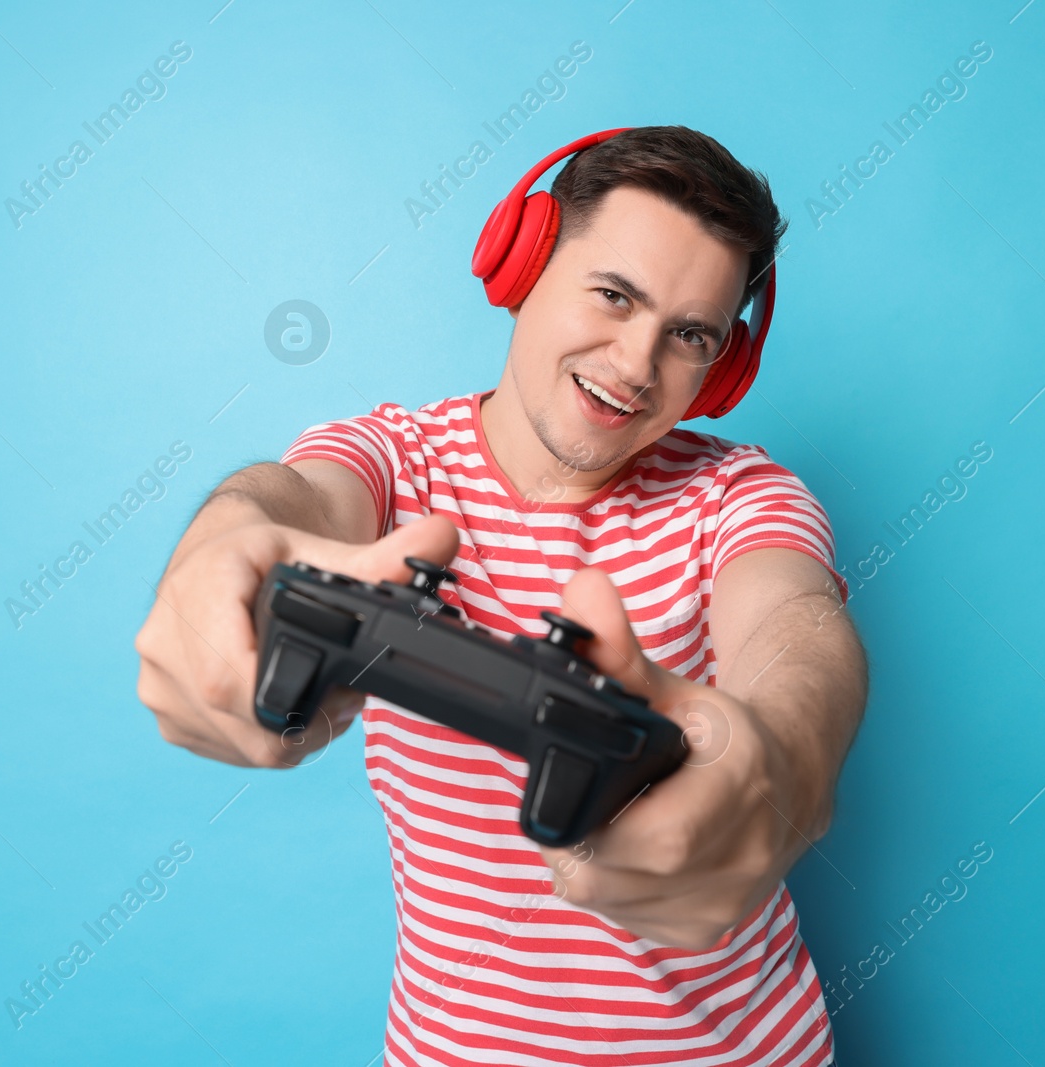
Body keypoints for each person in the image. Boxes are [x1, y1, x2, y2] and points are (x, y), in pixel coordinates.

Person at [134, 125, 868, 1066]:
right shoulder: (396, 462)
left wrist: (786, 765)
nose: (638, 365)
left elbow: (797, 629)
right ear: (520, 266)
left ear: (720, 368)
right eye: (614, 294)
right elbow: (293, 498)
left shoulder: (741, 495)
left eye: (689, 336)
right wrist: (221, 544)